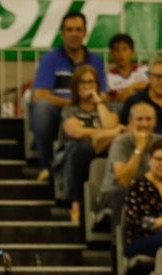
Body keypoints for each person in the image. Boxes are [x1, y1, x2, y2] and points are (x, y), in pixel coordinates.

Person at [27, 11, 106, 179]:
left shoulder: (96, 61)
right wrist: (73, 102)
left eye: (78, 30)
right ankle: (46, 166)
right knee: (41, 109)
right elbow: (40, 95)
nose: (74, 34)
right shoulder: (49, 59)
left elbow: (104, 95)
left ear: (85, 33)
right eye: (69, 30)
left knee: (117, 108)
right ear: (62, 34)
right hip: (58, 112)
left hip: (89, 111)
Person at [58, 64, 121, 223]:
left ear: (97, 85)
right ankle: (76, 203)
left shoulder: (109, 108)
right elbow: (76, 132)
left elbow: (110, 124)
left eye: (91, 82)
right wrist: (108, 133)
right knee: (79, 149)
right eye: (82, 82)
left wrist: (99, 103)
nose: (87, 86)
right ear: (75, 86)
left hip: (106, 148)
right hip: (79, 151)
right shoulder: (70, 109)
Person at [104, 32, 147, 103]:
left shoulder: (142, 69)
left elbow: (151, 85)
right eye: (116, 50)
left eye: (124, 49)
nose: (120, 53)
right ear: (111, 53)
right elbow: (108, 98)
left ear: (132, 52)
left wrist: (131, 88)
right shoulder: (107, 76)